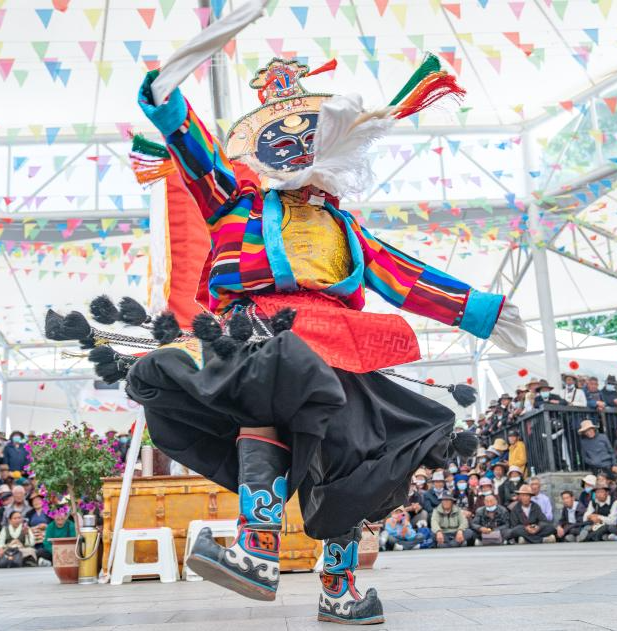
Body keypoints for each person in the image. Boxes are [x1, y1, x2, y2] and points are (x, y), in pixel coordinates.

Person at [69, 9, 527, 624]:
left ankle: (338, 590)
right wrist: (167, 102)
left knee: (357, 460)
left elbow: (410, 279)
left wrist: (484, 313)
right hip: (261, 332)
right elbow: (198, 157)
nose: (299, 153)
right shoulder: (237, 206)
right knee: (265, 395)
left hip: (343, 344)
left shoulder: (348, 228)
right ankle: (256, 550)